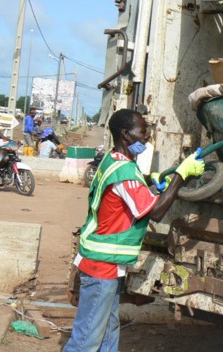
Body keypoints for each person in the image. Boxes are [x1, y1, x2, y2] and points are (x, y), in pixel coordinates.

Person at [63, 108, 205, 352]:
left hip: (106, 264)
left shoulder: (114, 160)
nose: (147, 136)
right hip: (102, 267)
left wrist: (152, 183)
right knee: (85, 341)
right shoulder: (125, 171)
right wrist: (181, 175)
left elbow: (131, 195)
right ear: (126, 135)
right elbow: (156, 212)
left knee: (108, 332)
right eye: (143, 131)